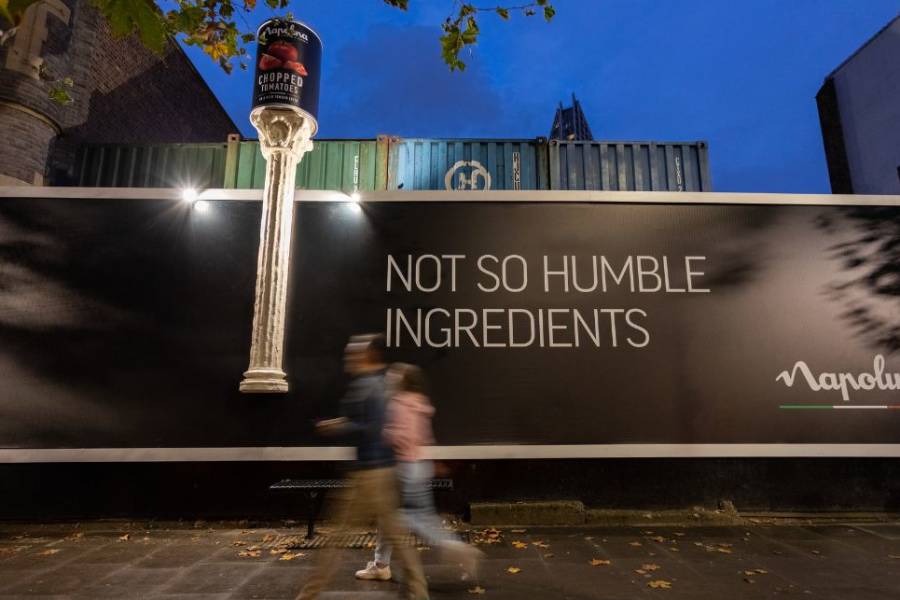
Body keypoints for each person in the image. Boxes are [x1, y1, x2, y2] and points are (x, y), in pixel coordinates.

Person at [297, 335, 428, 600]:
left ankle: (308, 595)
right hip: (380, 469)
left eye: (353, 353)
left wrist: (337, 426)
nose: (349, 358)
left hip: (370, 473)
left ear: (368, 356)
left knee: (340, 537)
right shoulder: (380, 384)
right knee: (395, 536)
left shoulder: (370, 386)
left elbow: (372, 429)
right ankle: (418, 591)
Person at [355, 363, 483, 583]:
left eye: (396, 374)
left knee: (411, 518)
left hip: (403, 466)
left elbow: (399, 437)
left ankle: (457, 549)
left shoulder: (398, 403)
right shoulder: (419, 403)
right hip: (419, 466)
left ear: (403, 381)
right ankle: (380, 565)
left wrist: (384, 433)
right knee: (396, 518)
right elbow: (424, 438)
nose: (391, 376)